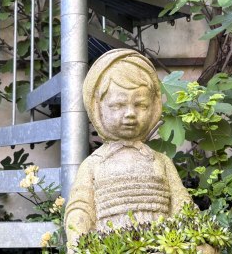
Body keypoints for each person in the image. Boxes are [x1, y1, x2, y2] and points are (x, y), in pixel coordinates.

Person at [64, 49, 194, 252]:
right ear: (97, 108)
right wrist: (77, 237)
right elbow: (81, 207)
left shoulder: (160, 161)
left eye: (141, 105)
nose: (130, 114)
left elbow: (182, 205)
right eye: (117, 105)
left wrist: (194, 236)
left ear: (154, 107)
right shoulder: (94, 164)